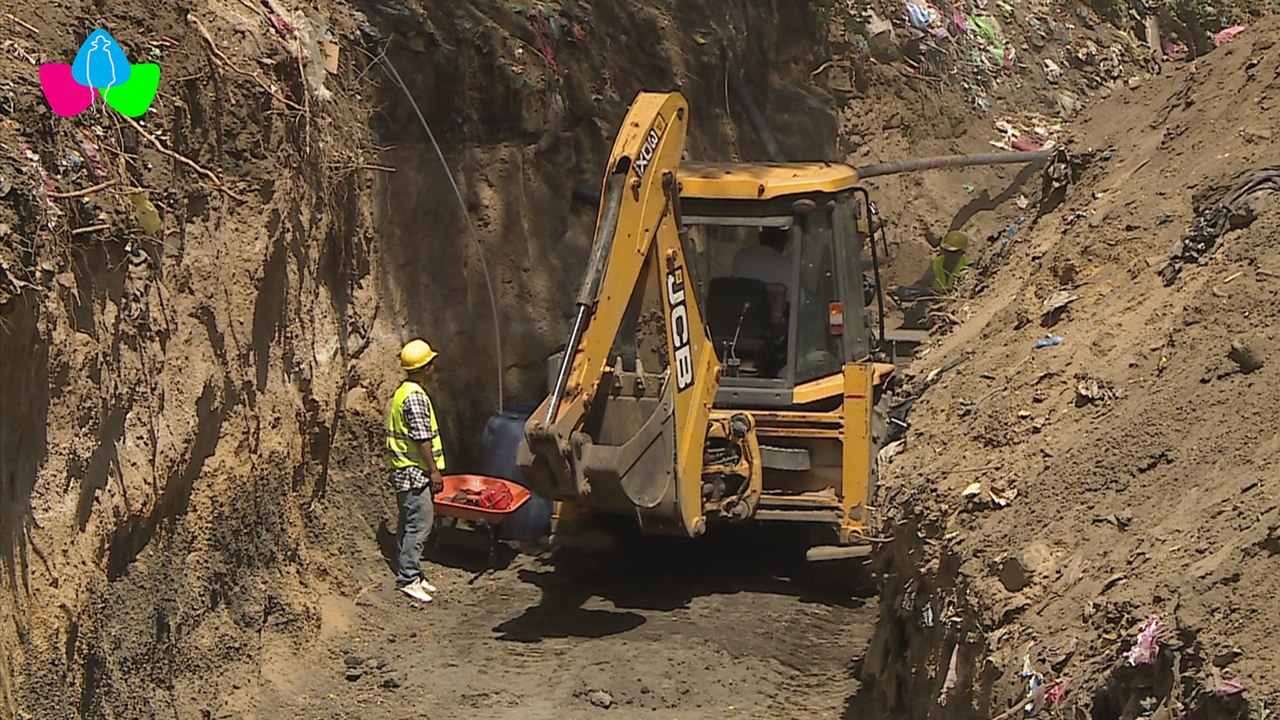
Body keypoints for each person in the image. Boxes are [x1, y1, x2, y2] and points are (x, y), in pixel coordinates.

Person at [386, 339, 447, 603]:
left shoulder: (402, 392)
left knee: (408, 522)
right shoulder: (415, 397)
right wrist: (434, 471)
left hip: (403, 469)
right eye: (431, 363)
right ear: (426, 368)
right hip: (414, 472)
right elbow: (422, 438)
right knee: (420, 523)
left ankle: (411, 571)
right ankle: (408, 578)